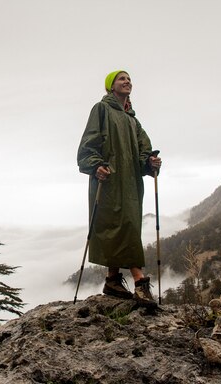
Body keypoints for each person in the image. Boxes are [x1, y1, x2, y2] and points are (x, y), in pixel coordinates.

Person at [77, 70, 162, 306]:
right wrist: (95, 166)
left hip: (131, 183)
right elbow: (87, 145)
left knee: (126, 225)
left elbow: (144, 150)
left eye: (129, 79)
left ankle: (112, 280)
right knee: (119, 226)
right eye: (121, 79)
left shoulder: (133, 121)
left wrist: (150, 162)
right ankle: (140, 283)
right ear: (110, 87)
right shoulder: (101, 110)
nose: (127, 82)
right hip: (108, 181)